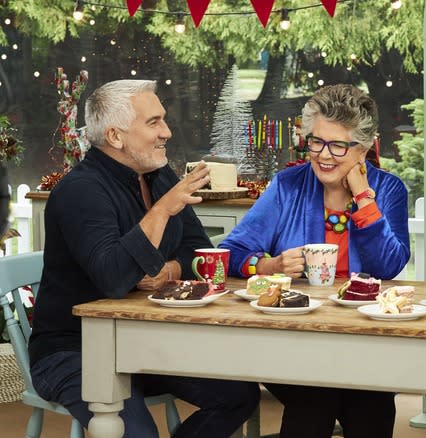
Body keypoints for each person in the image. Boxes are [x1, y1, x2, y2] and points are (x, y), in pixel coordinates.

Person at [28, 80, 260, 437]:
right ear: (115, 136)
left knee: (237, 395)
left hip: (143, 342)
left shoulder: (159, 175)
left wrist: (169, 268)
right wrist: (163, 210)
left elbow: (198, 249)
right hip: (75, 350)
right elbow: (114, 279)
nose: (166, 132)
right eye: (153, 122)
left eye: (163, 120)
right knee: (134, 432)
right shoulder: (80, 191)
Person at [219, 84, 409, 438]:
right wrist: (268, 266)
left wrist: (364, 200)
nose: (324, 155)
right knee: (316, 394)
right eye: (316, 142)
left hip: (363, 341)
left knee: (371, 402)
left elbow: (389, 267)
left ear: (364, 148)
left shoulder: (389, 190)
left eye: (339, 145)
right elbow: (231, 251)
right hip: (293, 339)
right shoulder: (287, 185)